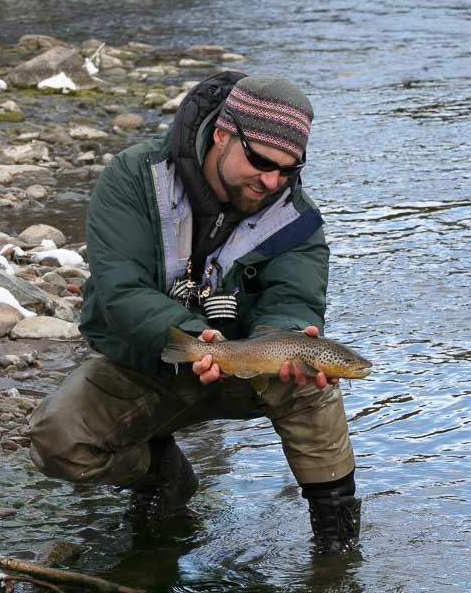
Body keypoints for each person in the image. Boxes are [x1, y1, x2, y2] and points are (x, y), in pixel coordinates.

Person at [27, 72, 361, 553]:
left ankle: (337, 544)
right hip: (148, 362)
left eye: (288, 169)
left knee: (310, 379)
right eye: (261, 162)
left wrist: (287, 334)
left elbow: (292, 300)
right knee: (58, 440)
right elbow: (122, 291)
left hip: (246, 369)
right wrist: (192, 335)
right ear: (223, 135)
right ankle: (163, 476)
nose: (271, 181)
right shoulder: (135, 179)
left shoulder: (296, 219)